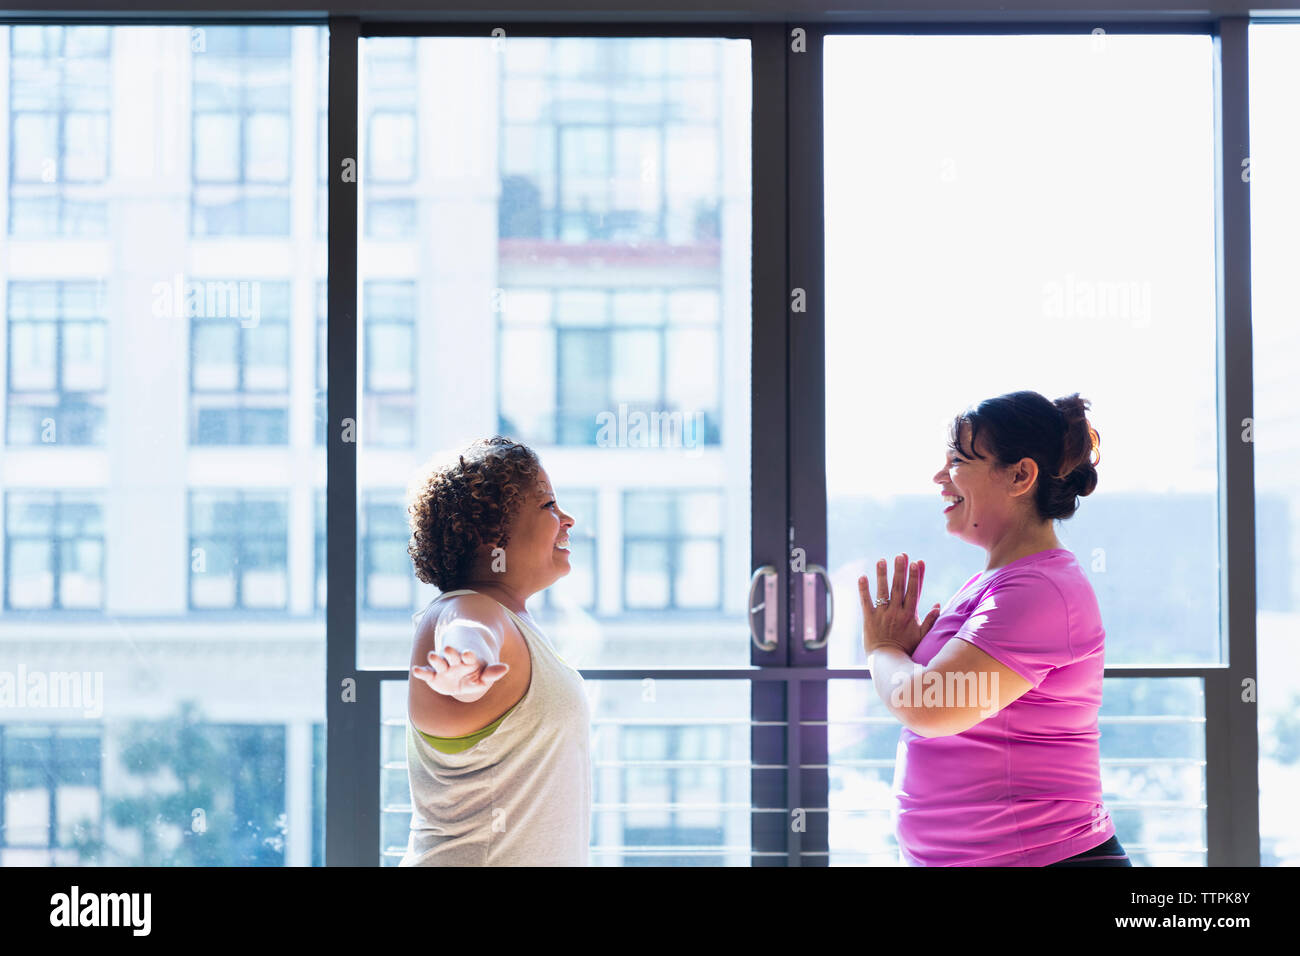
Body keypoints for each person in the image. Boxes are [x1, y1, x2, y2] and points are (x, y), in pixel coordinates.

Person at [858, 390, 1131, 867]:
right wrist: (908, 656)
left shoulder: (1040, 590)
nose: (940, 477)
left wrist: (883, 650)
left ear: (1020, 475)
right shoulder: (998, 582)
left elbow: (931, 706)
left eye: (959, 461)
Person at [398, 436, 590, 866]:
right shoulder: (470, 607)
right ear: (491, 533)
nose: (568, 519)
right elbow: (469, 628)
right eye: (549, 506)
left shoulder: (515, 622)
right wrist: (464, 663)